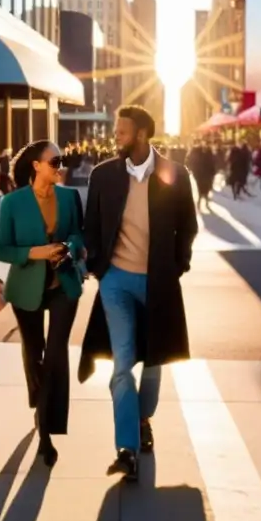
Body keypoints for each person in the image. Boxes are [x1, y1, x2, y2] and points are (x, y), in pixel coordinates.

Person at [78, 105, 198, 482]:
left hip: (158, 282)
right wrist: (98, 267)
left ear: (143, 135)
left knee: (155, 358)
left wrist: (176, 267)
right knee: (123, 361)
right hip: (116, 280)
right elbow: (92, 225)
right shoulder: (103, 175)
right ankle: (126, 447)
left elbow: (188, 227)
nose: (116, 136)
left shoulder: (174, 175)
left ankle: (143, 418)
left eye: (122, 131)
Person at [0, 140, 85, 468]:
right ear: (36, 165)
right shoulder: (12, 203)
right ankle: (40, 406)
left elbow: (79, 234)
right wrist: (35, 252)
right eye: (55, 161)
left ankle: (47, 429)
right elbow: (2, 250)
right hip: (26, 289)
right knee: (34, 353)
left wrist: (68, 247)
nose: (60, 166)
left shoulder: (70, 196)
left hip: (64, 284)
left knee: (57, 354)